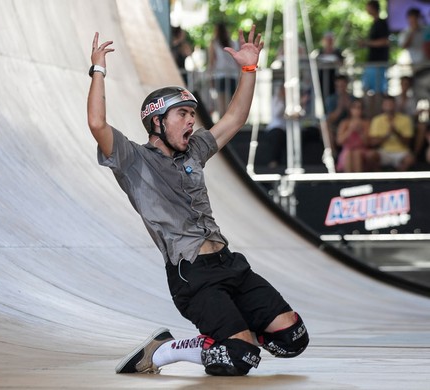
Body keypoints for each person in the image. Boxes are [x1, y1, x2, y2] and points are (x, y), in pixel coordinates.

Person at [87, 26, 308, 377]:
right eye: (183, 115)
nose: (192, 120)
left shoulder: (195, 149)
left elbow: (234, 119)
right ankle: (164, 350)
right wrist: (98, 69)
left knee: (293, 339)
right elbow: (97, 123)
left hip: (230, 263)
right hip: (192, 276)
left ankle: (237, 334)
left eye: (193, 114)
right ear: (157, 122)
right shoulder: (133, 161)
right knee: (240, 358)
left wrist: (249, 69)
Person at [367, 95, 416, 171]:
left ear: (395, 105)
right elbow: (373, 143)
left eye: (391, 104)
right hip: (384, 151)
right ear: (382, 106)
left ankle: (399, 179)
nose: (389, 107)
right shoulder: (376, 120)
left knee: (410, 159)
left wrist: (396, 132)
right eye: (386, 104)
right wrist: (387, 135)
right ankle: (379, 179)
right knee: (371, 155)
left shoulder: (405, 119)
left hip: (401, 152)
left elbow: (408, 142)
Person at [360, 0, 390, 115]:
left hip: (378, 63)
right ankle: (370, 114)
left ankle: (377, 114)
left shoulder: (382, 23)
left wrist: (367, 43)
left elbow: (384, 41)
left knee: (377, 92)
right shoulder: (374, 23)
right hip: (372, 63)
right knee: (367, 90)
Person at [208, 22, 239, 118]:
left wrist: (210, 76)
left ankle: (223, 127)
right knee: (231, 105)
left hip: (220, 75)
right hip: (232, 75)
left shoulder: (214, 44)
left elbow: (211, 62)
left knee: (222, 105)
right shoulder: (234, 43)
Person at [335, 99, 371, 172]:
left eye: (359, 108)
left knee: (357, 154)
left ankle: (359, 181)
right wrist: (350, 130)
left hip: (361, 150)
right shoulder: (344, 123)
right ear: (350, 109)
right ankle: (349, 181)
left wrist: (360, 131)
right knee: (348, 154)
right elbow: (339, 141)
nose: (356, 110)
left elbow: (368, 143)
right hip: (347, 151)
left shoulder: (366, 123)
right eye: (354, 107)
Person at [316, 31, 344, 100]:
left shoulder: (337, 52)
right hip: (322, 79)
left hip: (334, 78)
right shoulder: (320, 51)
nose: (329, 42)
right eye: (327, 40)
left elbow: (341, 63)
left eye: (330, 40)